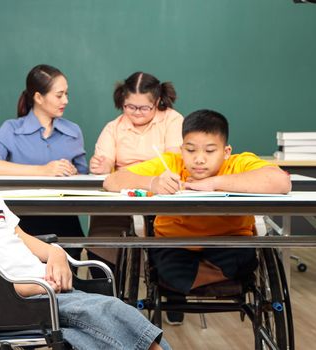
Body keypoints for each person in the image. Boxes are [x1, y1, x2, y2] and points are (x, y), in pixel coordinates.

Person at [0, 98, 171, 350]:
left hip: (40, 290)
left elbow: (16, 233)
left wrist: (55, 254)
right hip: (8, 300)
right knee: (112, 314)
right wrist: (23, 286)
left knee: (100, 328)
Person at [103, 109, 291, 318]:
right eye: (191, 150)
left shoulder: (239, 163)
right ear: (182, 149)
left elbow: (281, 181)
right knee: (168, 271)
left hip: (228, 242)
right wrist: (152, 182)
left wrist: (214, 183)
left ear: (226, 151)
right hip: (174, 244)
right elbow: (111, 181)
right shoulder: (171, 163)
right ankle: (212, 277)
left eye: (210, 151)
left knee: (243, 259)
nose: (199, 159)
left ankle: (193, 281)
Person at [86, 72, 184, 289]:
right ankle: (107, 288)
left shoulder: (173, 120)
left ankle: (171, 287)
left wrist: (132, 174)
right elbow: (106, 164)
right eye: (130, 107)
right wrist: (101, 166)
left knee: (171, 229)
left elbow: (174, 160)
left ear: (157, 102)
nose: (136, 113)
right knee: (103, 224)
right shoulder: (114, 127)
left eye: (144, 108)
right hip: (125, 193)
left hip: (163, 193)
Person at [0, 64, 87, 260]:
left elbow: (85, 178)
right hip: (22, 222)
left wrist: (74, 173)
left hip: (65, 222)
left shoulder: (73, 132)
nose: (66, 100)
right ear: (38, 97)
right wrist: (43, 170)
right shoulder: (11, 129)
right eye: (59, 95)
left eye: (66, 94)